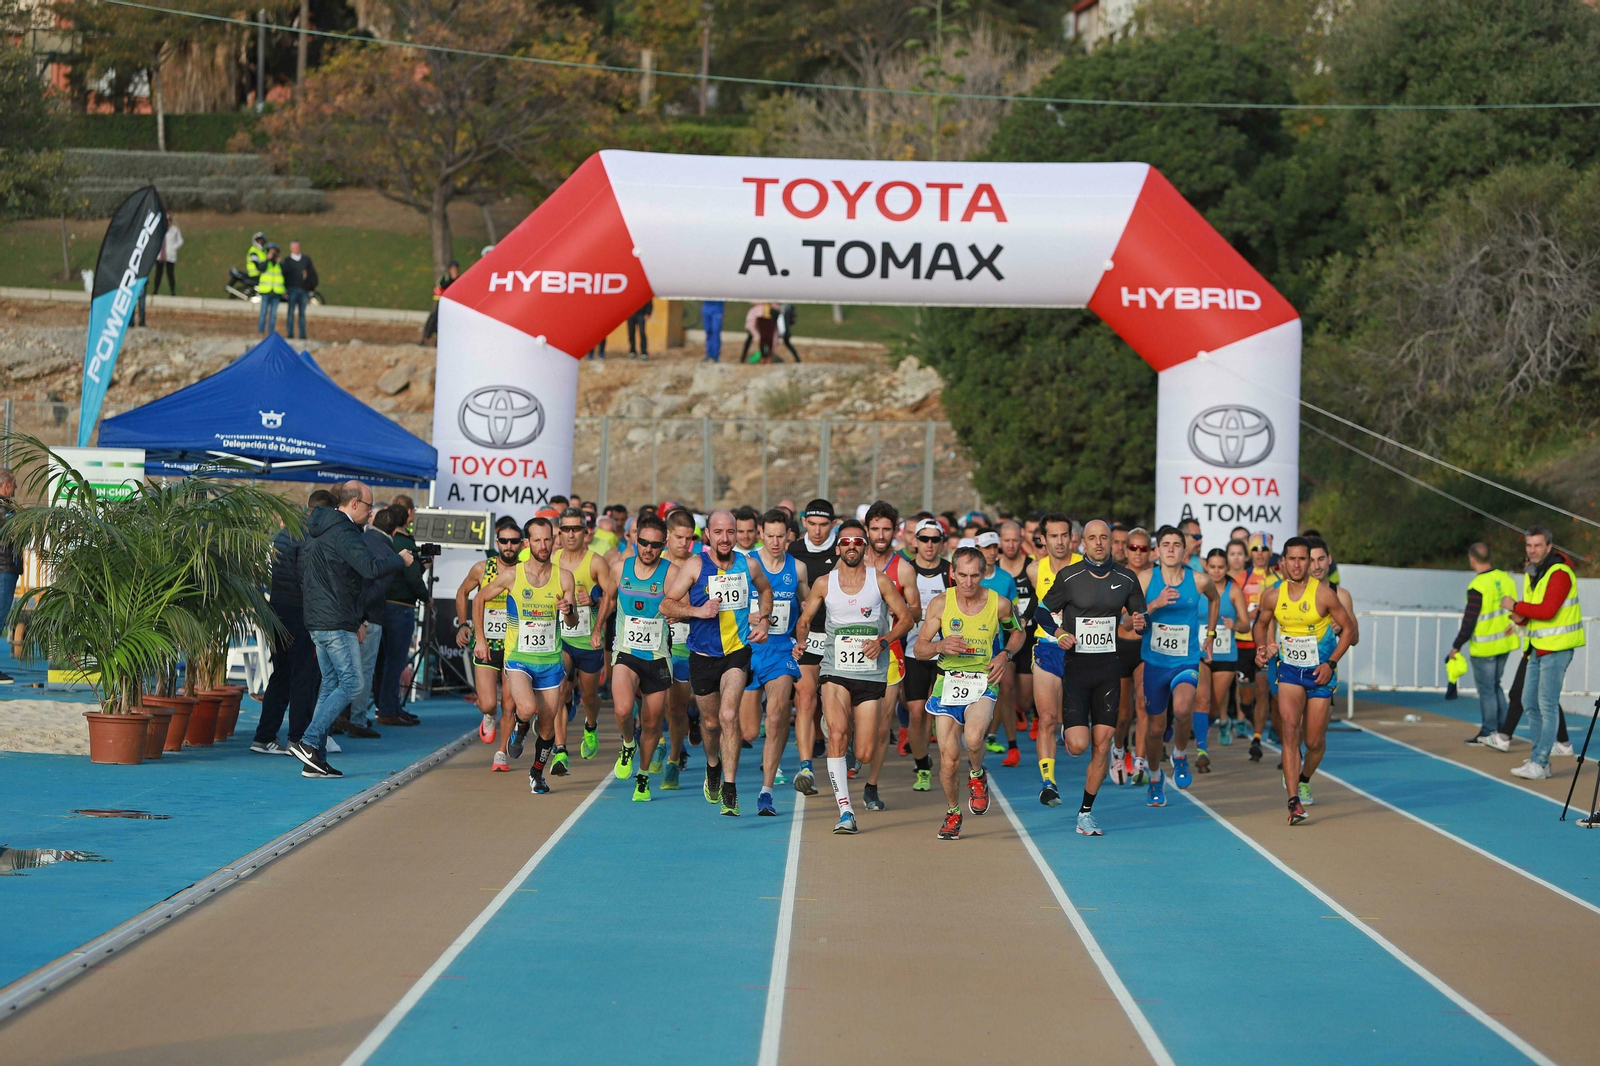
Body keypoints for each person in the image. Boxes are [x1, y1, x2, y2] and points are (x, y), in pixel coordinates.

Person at [793, 518, 913, 835]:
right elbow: (804, 620)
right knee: (835, 732)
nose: (851, 547)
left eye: (857, 542)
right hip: (834, 671)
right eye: (845, 542)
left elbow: (906, 619)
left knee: (864, 752)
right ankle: (846, 812)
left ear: (865, 547)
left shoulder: (881, 581)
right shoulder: (824, 583)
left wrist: (884, 641)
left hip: (871, 674)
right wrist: (801, 642)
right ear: (838, 547)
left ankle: (851, 752)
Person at [290, 481, 412, 778]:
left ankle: (313, 759)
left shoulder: (318, 528)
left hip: (320, 619)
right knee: (352, 683)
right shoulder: (344, 532)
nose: (372, 514)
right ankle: (308, 741)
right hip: (335, 620)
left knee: (331, 685)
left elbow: (306, 572)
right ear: (354, 504)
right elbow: (369, 568)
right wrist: (400, 559)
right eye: (369, 507)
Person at [1035, 520, 1147, 835]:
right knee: (1078, 745)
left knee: (1103, 742)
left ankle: (1086, 812)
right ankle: (1066, 732)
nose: (1098, 543)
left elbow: (1139, 615)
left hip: (1109, 668)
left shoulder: (1126, 578)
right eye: (1092, 538)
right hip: (1077, 668)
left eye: (1104, 538)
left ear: (1113, 542)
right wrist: (1059, 634)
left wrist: (1139, 622)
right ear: (1081, 542)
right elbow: (1041, 613)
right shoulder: (1069, 577)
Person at [660, 510, 775, 816]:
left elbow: (766, 590)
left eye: (730, 532)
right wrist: (698, 611)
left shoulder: (748, 564)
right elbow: (666, 604)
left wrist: (764, 620)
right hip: (703, 656)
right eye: (719, 532)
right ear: (708, 535)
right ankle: (713, 766)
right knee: (710, 724)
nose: (725, 538)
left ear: (736, 534)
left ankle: (730, 788)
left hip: (737, 653)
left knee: (728, 715)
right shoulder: (696, 565)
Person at [914, 546, 1020, 840]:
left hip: (983, 682)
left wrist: (1005, 656)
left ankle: (977, 773)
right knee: (948, 761)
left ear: (984, 574)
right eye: (962, 575)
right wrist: (939, 646)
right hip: (947, 683)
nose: (969, 582)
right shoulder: (939, 604)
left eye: (975, 575)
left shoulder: (999, 604)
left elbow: (1018, 632)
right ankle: (953, 813)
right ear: (953, 573)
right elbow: (919, 649)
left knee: (973, 738)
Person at [1254, 537, 1357, 824]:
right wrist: (1262, 649)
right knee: (1289, 730)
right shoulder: (1273, 596)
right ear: (1283, 562)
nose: (1298, 564)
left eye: (1303, 559)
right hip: (1289, 672)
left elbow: (1349, 631)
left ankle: (1304, 778)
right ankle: (1293, 802)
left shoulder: (1324, 594)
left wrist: (1331, 662)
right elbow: (1260, 625)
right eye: (1293, 559)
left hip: (1320, 674)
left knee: (1313, 741)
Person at [474, 517, 580, 795]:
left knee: (547, 729)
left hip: (550, 662)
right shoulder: (513, 575)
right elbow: (478, 598)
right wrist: (481, 638)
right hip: (518, 657)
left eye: (547, 540)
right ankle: (521, 726)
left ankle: (536, 774)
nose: (543, 546)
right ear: (527, 543)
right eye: (537, 540)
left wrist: (568, 610)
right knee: (526, 708)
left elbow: (571, 622)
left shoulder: (564, 577)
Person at [1137, 525, 1220, 807]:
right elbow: (1128, 619)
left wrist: (1210, 634)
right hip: (1155, 662)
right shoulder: (1146, 579)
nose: (1171, 549)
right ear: (1157, 550)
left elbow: (1215, 599)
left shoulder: (1198, 581)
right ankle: (1155, 775)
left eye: (1176, 544)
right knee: (1155, 729)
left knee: (1184, 708)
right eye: (1166, 544)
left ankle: (1181, 754)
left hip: (1186, 659)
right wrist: (1154, 605)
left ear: (1185, 551)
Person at [252, 489, 335, 752]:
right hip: (300, 614)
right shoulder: (307, 537)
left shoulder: (283, 535)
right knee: (304, 678)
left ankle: (264, 736)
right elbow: (306, 580)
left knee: (281, 674)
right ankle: (297, 738)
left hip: (277, 611)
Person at [1502, 526, 1584, 780]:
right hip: (1537, 647)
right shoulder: (1533, 572)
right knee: (1529, 702)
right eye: (1529, 545)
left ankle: (1540, 760)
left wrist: (1516, 605)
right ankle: (1541, 759)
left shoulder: (1559, 573)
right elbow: (1536, 614)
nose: (1533, 550)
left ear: (1549, 546)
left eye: (1537, 545)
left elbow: (1548, 610)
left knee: (1547, 705)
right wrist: (1521, 618)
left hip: (1556, 649)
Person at [744, 508, 808, 816]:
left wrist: (803, 637)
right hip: (746, 650)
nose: (775, 542)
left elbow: (808, 606)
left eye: (781, 536)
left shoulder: (798, 569)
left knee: (776, 714)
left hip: (781, 650)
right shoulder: (746, 565)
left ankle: (766, 792)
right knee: (746, 731)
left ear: (789, 536)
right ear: (760, 534)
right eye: (769, 536)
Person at [609, 514, 675, 802]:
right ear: (636, 539)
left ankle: (644, 776)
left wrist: (678, 612)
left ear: (664, 545)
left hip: (658, 656)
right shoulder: (619, 568)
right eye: (644, 542)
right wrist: (599, 628)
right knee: (623, 711)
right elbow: (609, 601)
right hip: (626, 651)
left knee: (651, 724)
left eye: (655, 544)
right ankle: (627, 744)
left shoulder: (672, 573)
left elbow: (684, 602)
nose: (648, 549)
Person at [860, 500, 921, 811]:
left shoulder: (904, 569)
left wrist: (890, 615)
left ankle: (871, 786)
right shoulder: (853, 560)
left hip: (889, 652)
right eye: (875, 529)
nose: (880, 535)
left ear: (895, 532)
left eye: (886, 529)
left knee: (883, 724)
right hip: (853, 652)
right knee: (849, 719)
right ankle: (851, 754)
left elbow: (915, 611)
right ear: (867, 530)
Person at [454, 516, 524, 770]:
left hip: (514, 648)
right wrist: (465, 625)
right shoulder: (482, 569)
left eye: (514, 542)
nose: (508, 546)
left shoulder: (525, 571)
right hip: (486, 645)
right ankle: (487, 715)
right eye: (504, 541)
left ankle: (501, 753)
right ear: (497, 542)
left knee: (509, 703)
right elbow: (463, 592)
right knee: (487, 703)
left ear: (522, 544)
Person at [553, 507, 617, 771]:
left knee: (589, 696)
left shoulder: (596, 562)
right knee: (558, 689)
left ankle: (591, 724)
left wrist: (594, 606)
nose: (570, 534)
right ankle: (560, 750)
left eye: (575, 529)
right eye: (565, 529)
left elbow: (610, 598)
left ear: (585, 531)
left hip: (588, 639)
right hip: (560, 638)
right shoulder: (553, 559)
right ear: (560, 531)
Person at [1026, 512, 1083, 806]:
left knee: (1075, 738)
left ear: (1072, 537)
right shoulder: (1036, 570)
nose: (1060, 542)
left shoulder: (1085, 567)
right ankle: (1049, 783)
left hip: (1080, 649)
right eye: (1053, 536)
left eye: (1065, 535)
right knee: (1046, 718)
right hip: (1047, 647)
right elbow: (1039, 609)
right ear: (1043, 539)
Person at [789, 498, 840, 796]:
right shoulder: (793, 551)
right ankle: (806, 766)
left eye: (824, 525)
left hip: (838, 636)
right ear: (805, 522)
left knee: (835, 704)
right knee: (805, 697)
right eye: (813, 524)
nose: (818, 531)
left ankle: (839, 752)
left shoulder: (841, 550)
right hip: (806, 634)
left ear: (831, 525)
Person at [339, 505, 403, 739]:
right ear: (394, 531)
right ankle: (356, 720)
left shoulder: (359, 540)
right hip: (368, 619)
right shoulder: (388, 552)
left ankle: (339, 717)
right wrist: (363, 617)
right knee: (363, 670)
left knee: (341, 670)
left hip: (346, 615)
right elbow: (375, 589)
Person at [902, 517, 953, 793]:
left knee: (939, 713)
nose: (929, 544)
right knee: (916, 713)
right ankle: (922, 766)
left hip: (946, 653)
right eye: (924, 539)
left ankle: (948, 761)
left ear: (942, 543)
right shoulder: (906, 571)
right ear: (915, 541)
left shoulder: (952, 572)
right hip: (913, 651)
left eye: (935, 539)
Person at [1196, 548, 1250, 773]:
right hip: (1200, 652)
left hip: (1226, 654)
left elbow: (1247, 624)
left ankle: (1199, 729)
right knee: (1203, 700)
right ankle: (1202, 750)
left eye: (1220, 567)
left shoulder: (1234, 590)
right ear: (1206, 567)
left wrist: (1234, 626)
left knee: (1214, 707)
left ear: (1226, 568)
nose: (1216, 571)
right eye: (1212, 567)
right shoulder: (1198, 587)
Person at [377, 498, 427, 726]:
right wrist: (427, 597)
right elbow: (412, 576)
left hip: (383, 605)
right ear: (408, 515)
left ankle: (388, 706)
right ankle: (389, 709)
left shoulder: (383, 539)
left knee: (385, 661)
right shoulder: (404, 541)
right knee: (395, 662)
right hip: (401, 606)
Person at [661, 508, 700, 787]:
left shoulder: (699, 565)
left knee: (683, 706)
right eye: (679, 537)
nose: (683, 544)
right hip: (656, 645)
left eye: (689, 538)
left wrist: (684, 612)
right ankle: (670, 752)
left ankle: (675, 757)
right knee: (666, 706)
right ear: (667, 535)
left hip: (688, 645)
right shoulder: (654, 563)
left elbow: (710, 607)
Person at [996, 520, 1035, 766]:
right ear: (1001, 542)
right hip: (1006, 638)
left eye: (1015, 540)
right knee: (1006, 689)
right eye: (1006, 540)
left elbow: (1040, 596)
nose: (1011, 545)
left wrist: (1025, 617)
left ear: (1021, 541)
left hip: (1028, 637)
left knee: (1025, 700)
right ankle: (1013, 746)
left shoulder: (1031, 567)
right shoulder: (995, 569)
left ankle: (1022, 710)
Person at [0, 467, 19, 685]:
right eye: (14, 484)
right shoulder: (4, 509)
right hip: (4, 568)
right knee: (0, 617)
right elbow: (15, 529)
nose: (15, 489)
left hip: (6, 568)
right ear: (6, 485)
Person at [281, 239, 318, 341]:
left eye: (297, 247)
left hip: (303, 290)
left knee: (302, 313)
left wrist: (310, 285)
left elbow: (312, 274)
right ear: (290, 248)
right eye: (294, 247)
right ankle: (290, 334)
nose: (296, 249)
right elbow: (283, 275)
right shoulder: (287, 261)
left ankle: (302, 334)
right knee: (291, 312)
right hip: (292, 289)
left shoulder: (306, 260)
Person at [421, 261, 460, 343]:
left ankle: (439, 340)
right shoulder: (445, 277)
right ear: (449, 270)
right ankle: (426, 337)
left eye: (455, 269)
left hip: (453, 304)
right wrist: (451, 279)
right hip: (443, 302)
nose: (454, 271)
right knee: (435, 318)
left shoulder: (459, 279)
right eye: (452, 269)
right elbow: (439, 286)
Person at [257, 244, 285, 336]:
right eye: (271, 251)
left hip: (276, 293)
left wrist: (279, 262)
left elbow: (286, 272)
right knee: (263, 314)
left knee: (273, 316)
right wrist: (267, 259)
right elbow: (260, 268)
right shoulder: (265, 262)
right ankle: (261, 333)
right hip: (266, 292)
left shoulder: (279, 264)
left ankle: (270, 334)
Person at [152, 214, 181, 296]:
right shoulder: (159, 230)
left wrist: (174, 247)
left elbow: (180, 241)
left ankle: (172, 291)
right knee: (158, 274)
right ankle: (155, 290)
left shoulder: (174, 230)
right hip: (160, 255)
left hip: (170, 255)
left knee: (170, 274)